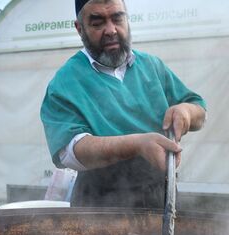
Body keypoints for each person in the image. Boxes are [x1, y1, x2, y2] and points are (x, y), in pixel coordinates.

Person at [41, 0, 207, 208]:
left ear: (127, 19)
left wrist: (186, 112)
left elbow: (199, 110)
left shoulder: (151, 66)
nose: (111, 30)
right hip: (98, 206)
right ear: (79, 28)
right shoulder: (66, 81)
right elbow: (70, 151)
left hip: (159, 198)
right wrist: (137, 145)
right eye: (98, 22)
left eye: (117, 18)